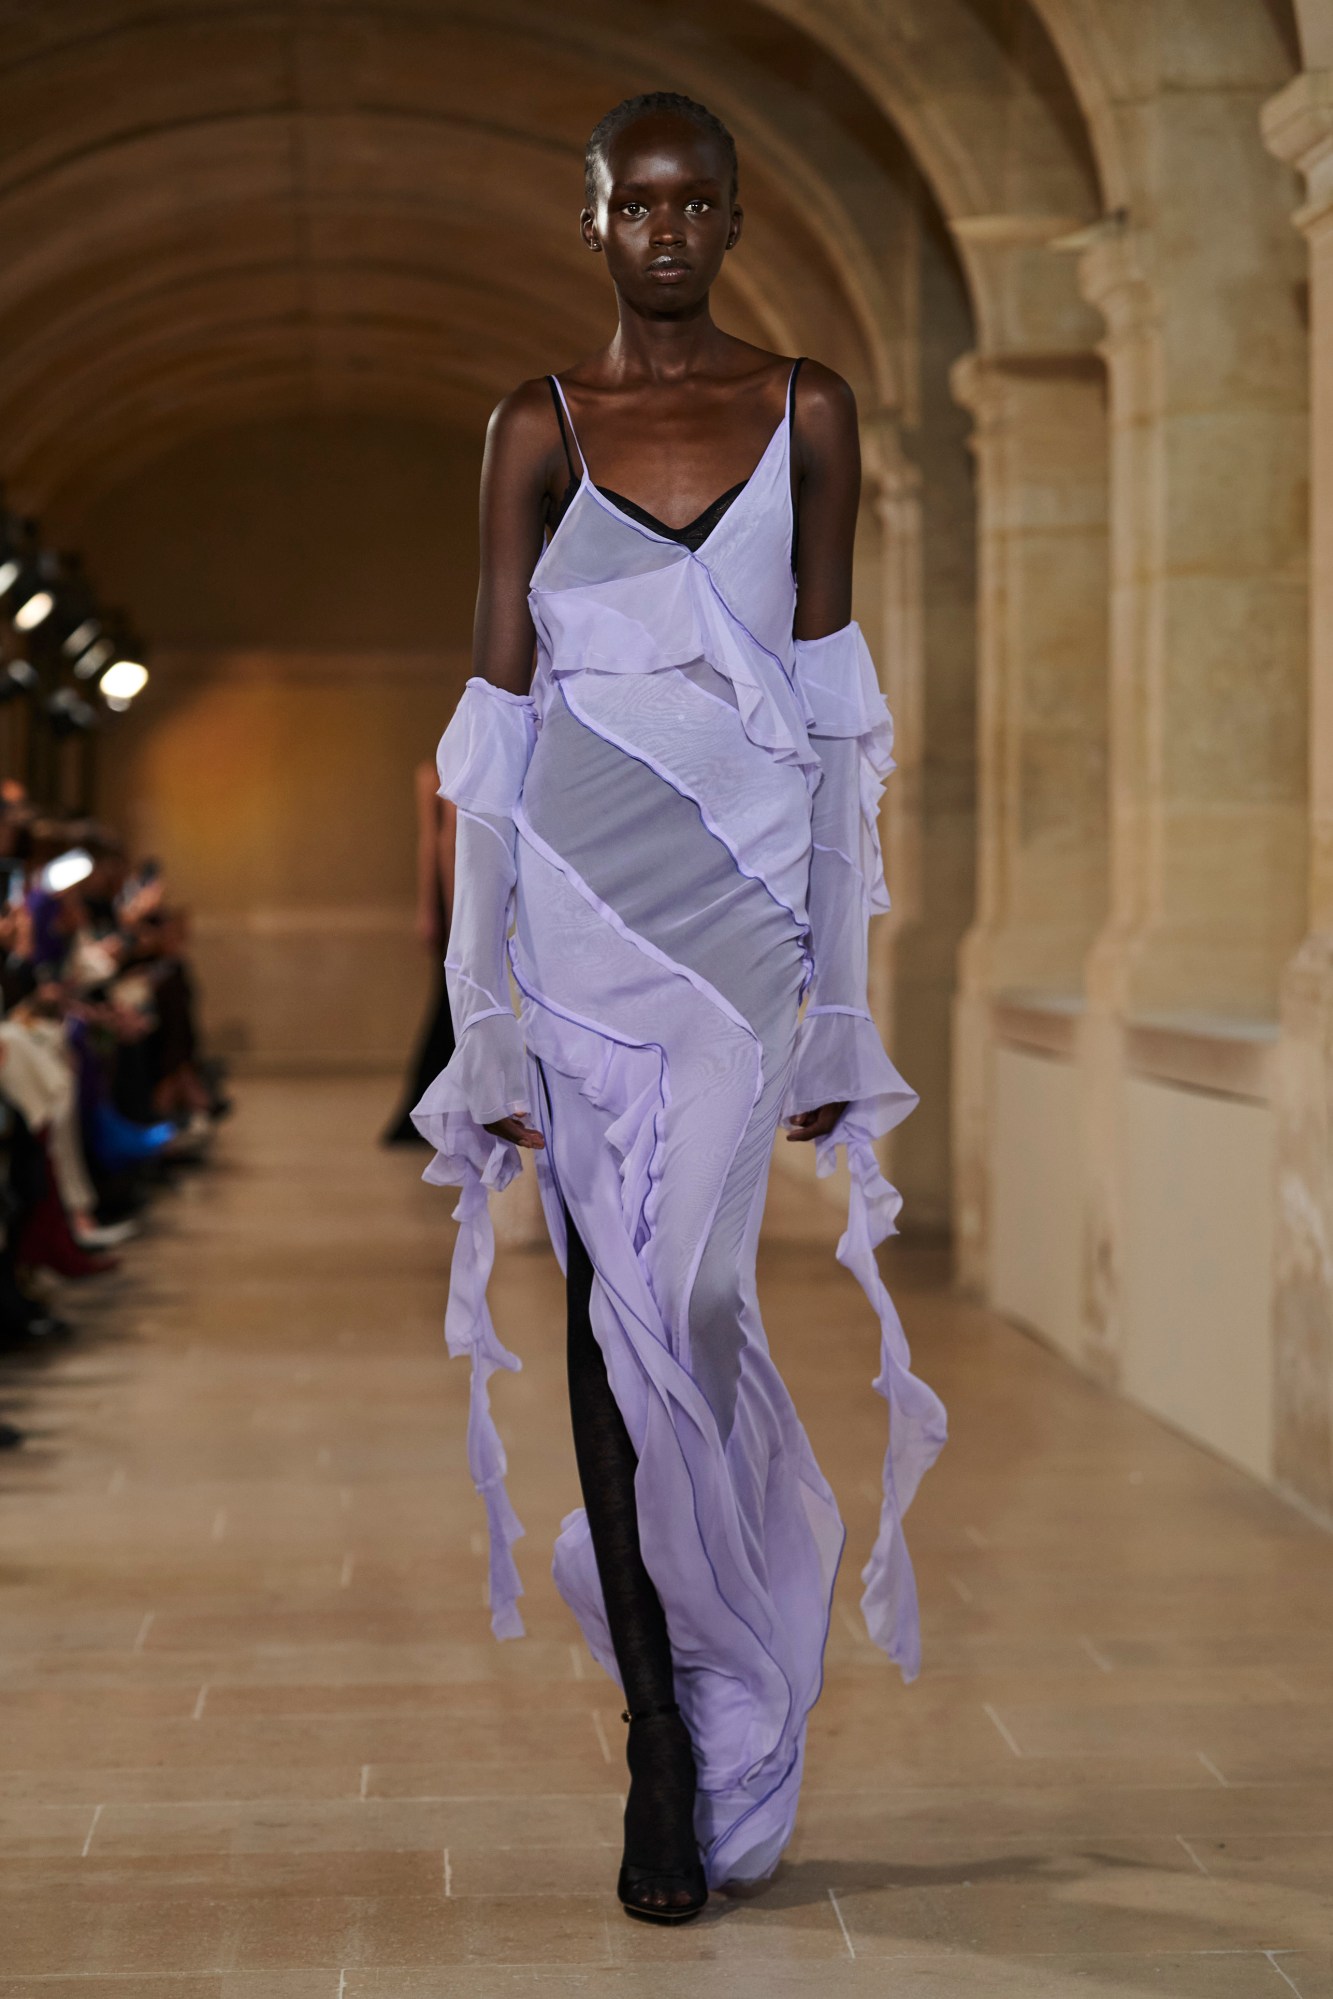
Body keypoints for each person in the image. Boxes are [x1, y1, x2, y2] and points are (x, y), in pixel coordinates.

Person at [413, 92, 946, 1924]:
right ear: (593, 218)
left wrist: (836, 1002)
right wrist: (477, 1015)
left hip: (731, 951)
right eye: (628, 200)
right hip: (572, 932)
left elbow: (829, 724)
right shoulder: (530, 429)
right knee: (599, 1326)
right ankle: (658, 1727)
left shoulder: (806, 408)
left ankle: (727, 1655)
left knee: (696, 1303)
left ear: (730, 219)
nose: (658, 226)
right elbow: (490, 737)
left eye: (689, 200)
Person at [383, 761, 457, 1145]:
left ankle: (436, 1110)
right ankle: (426, 1110)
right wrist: (435, 908)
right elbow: (436, 842)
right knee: (448, 1007)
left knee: (450, 1008)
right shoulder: (436, 772)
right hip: (456, 902)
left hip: (459, 899)